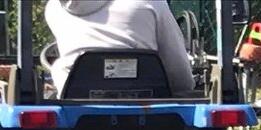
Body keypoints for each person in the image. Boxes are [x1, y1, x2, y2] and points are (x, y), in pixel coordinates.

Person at [44, 0, 195, 97]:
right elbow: (180, 75)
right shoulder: (150, 3)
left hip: (76, 106)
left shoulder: (54, 9)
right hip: (151, 110)